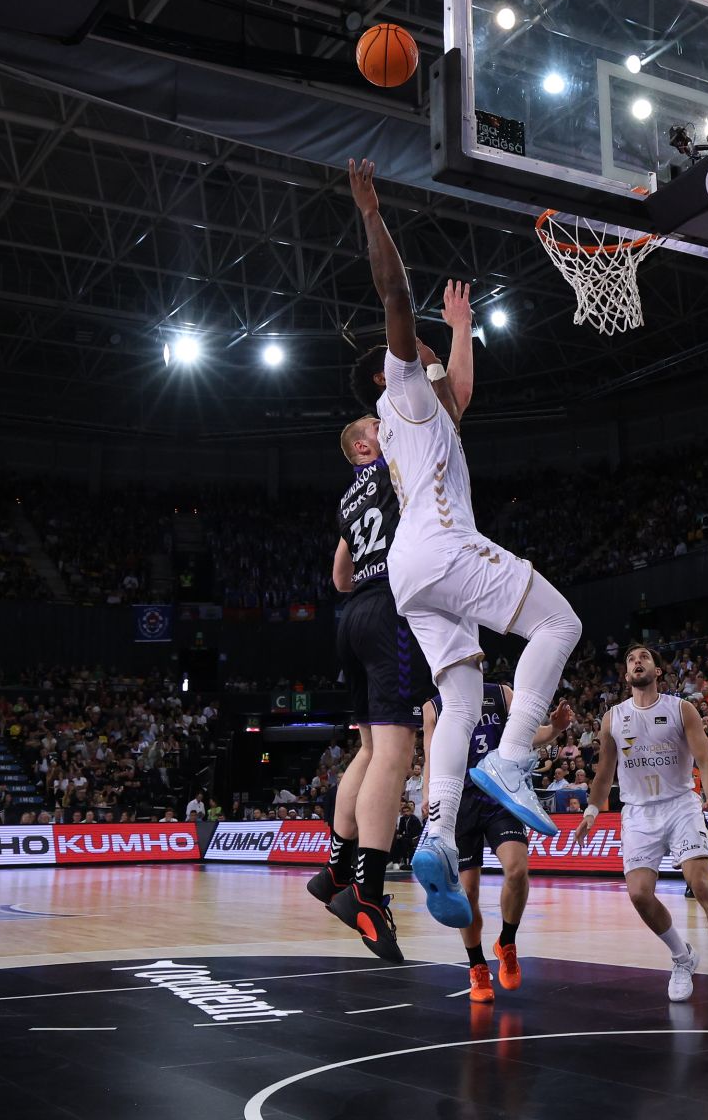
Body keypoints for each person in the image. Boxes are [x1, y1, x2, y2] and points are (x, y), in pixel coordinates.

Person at [348, 159, 580, 927]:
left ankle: (439, 835)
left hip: (412, 574)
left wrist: (461, 328)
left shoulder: (434, 414)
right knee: (558, 624)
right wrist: (373, 215)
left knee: (460, 695)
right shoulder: (405, 389)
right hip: (443, 548)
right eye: (432, 360)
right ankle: (513, 757)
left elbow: (465, 393)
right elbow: (393, 296)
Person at [312, 280, 477, 958]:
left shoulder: (350, 496)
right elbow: (455, 400)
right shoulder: (399, 450)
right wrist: (456, 336)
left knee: (372, 750)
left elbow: (337, 577)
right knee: (398, 753)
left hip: (352, 615)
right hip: (391, 610)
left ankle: (335, 865)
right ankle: (369, 890)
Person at [576, 644, 708, 1016]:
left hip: (680, 805)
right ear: (626, 674)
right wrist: (593, 810)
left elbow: (705, 759)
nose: (637, 662)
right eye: (630, 660)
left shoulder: (680, 709)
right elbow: (603, 773)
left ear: (657, 670)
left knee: (702, 883)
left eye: (643, 657)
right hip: (639, 813)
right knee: (640, 895)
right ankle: (682, 956)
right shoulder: (613, 718)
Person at [423, 682, 572, 1002]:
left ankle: (506, 941)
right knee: (468, 892)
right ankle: (477, 966)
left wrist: (554, 729)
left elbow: (523, 736)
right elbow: (431, 756)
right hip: (458, 803)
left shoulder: (500, 694)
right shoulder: (434, 707)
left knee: (518, 870)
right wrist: (428, 797)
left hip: (500, 795)